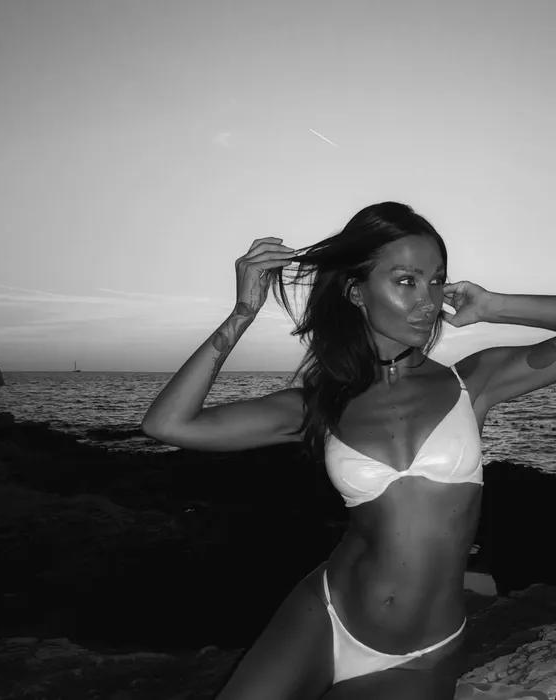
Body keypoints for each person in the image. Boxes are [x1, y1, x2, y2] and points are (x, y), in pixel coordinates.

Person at [141, 202, 556, 700]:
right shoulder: (319, 405)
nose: (427, 300)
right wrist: (242, 313)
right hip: (323, 613)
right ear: (356, 291)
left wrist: (493, 306)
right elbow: (169, 424)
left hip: (420, 651)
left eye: (436, 281)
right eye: (406, 281)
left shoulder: (473, 382)